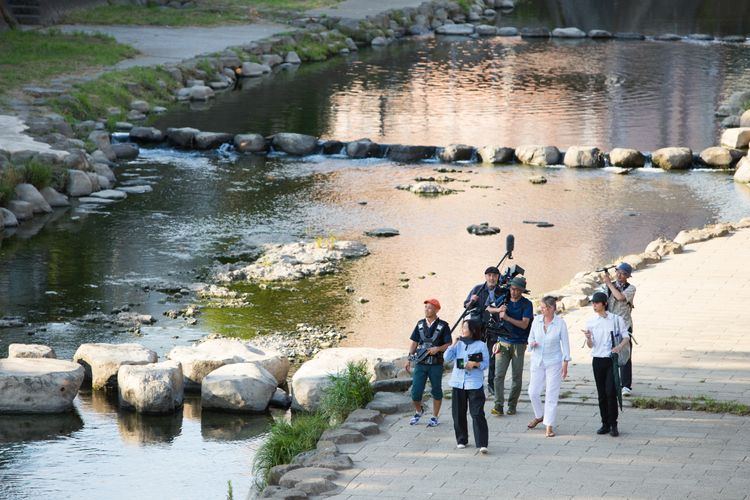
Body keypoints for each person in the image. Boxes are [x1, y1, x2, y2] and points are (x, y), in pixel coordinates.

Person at [583, 291, 629, 437]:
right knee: (601, 394)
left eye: (596, 302)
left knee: (611, 392)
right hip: (597, 360)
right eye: (593, 303)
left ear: (604, 304)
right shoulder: (591, 322)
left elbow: (626, 337)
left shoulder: (616, 319)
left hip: (611, 359)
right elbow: (591, 345)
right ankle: (605, 424)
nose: (594, 305)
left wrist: (618, 348)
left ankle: (614, 423)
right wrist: (588, 338)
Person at [526, 296, 570, 438]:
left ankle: (549, 425)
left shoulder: (560, 323)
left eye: (544, 307)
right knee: (532, 392)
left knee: (551, 393)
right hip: (537, 360)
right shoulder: (536, 321)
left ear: (551, 308)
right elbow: (530, 338)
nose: (541, 309)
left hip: (554, 362)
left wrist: (565, 362)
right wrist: (532, 344)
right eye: (541, 307)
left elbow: (566, 344)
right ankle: (539, 415)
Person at [489, 275, 533, 416]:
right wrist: (498, 310)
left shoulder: (527, 304)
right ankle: (498, 405)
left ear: (522, 291)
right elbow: (489, 308)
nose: (513, 292)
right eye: (512, 289)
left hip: (519, 343)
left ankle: (512, 405)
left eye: (517, 290)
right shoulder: (504, 299)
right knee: (498, 376)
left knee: (516, 377)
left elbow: (524, 324)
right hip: (502, 341)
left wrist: (507, 317)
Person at [445, 318, 490, 453]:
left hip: (474, 384)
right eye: (462, 327)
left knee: (477, 413)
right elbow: (447, 358)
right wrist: (453, 344)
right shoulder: (458, 344)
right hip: (458, 382)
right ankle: (461, 439)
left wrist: (475, 364)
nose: (462, 330)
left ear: (473, 330)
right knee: (458, 413)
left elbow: (486, 364)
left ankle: (482, 443)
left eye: (465, 328)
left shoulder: (481, 345)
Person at [404, 298, 451, 427]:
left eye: (430, 307)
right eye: (425, 307)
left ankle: (435, 417)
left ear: (436, 309)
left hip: (436, 364)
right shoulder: (420, 324)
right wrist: (409, 358)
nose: (427, 309)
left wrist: (438, 349)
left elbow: (448, 343)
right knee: (415, 392)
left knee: (436, 390)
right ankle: (419, 411)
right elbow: (414, 342)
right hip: (420, 363)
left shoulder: (444, 325)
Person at [463, 266, 504, 395]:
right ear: (485, 276)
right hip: (478, 326)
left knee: (493, 356)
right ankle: (476, 381)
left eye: (495, 276)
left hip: (495, 326)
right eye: (489, 275)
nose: (492, 278)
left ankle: (491, 384)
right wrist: (472, 301)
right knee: (476, 353)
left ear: (498, 277)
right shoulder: (478, 288)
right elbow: (466, 305)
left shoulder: (502, 291)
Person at [602, 262, 636, 396]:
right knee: (609, 354)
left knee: (625, 354)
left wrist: (610, 284)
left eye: (623, 274)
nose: (619, 275)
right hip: (609, 324)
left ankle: (626, 385)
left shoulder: (631, 288)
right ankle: (611, 382)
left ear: (628, 276)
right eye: (618, 272)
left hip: (624, 325)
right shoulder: (609, 286)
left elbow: (620, 297)